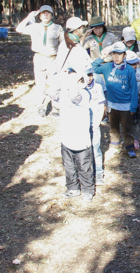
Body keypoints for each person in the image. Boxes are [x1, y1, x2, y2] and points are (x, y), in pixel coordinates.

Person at [49, 67, 96, 203]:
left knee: (84, 166)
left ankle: (88, 190)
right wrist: (58, 78)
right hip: (66, 137)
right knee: (68, 166)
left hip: (81, 140)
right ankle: (73, 188)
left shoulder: (84, 94)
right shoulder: (64, 92)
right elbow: (52, 93)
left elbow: (75, 97)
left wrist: (74, 79)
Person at [16, 5, 65, 117]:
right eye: (43, 13)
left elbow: (62, 44)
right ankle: (41, 107)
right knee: (40, 84)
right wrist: (28, 17)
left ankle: (56, 108)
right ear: (39, 15)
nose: (46, 15)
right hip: (39, 58)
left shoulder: (58, 28)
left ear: (52, 15)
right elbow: (18, 29)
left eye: (48, 13)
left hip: (53, 58)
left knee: (55, 84)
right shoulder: (34, 27)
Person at [92, 42, 139, 158]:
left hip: (126, 105)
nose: (116, 57)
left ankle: (129, 147)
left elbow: (134, 89)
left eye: (119, 54)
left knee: (127, 128)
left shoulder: (129, 70)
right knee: (113, 128)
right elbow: (93, 68)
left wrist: (133, 106)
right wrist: (102, 57)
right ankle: (114, 146)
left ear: (124, 55)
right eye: (114, 54)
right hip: (112, 105)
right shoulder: (107, 67)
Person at [83, 66, 106, 186]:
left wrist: (97, 121)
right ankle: (86, 174)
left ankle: (98, 174)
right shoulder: (78, 88)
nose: (89, 78)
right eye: (86, 76)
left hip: (94, 124)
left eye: (90, 75)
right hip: (82, 124)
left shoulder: (98, 87)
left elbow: (102, 105)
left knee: (95, 149)